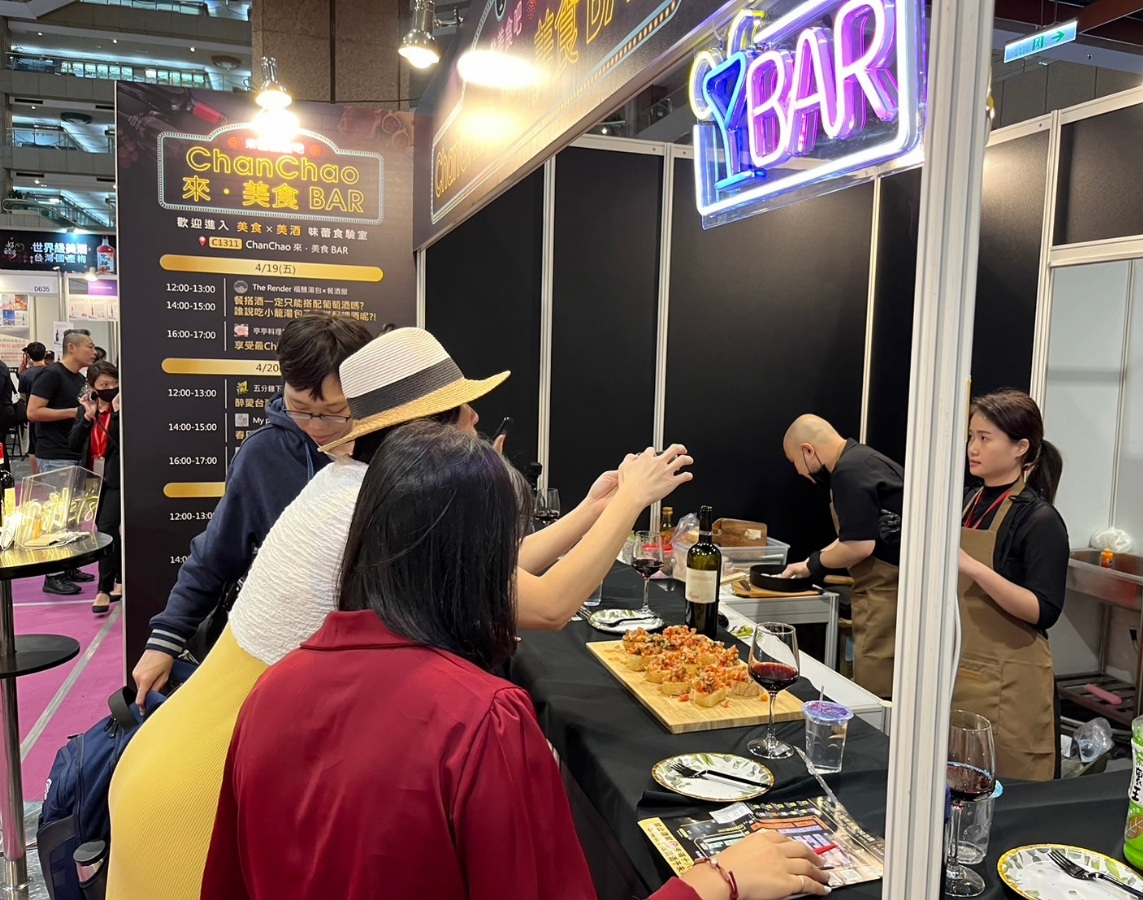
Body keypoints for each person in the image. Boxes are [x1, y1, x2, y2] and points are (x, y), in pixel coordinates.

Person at [107, 328, 695, 900]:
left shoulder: (359, 485)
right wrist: (629, 502)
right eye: (462, 412)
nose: (476, 421)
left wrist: (592, 510)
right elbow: (550, 604)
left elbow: (487, 571)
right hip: (206, 779)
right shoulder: (363, 503)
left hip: (228, 745)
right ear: (426, 433)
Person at [199, 422, 830, 900]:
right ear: (481, 560)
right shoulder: (482, 723)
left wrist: (595, 508)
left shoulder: (271, 693)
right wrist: (717, 880)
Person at [131, 314, 373, 698]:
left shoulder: (394, 451)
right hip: (288, 656)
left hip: (374, 656)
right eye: (298, 407)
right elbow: (216, 554)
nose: (315, 424)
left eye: (333, 411)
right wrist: (165, 638)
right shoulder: (263, 455)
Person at [955, 389, 1068, 782]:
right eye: (971, 437)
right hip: (962, 669)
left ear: (1021, 447)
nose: (973, 448)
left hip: (1009, 683)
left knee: (1007, 787)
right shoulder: (968, 503)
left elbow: (1044, 609)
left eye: (985, 438)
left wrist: (973, 568)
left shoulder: (1040, 520)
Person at [781, 415, 904, 699]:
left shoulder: (848, 472)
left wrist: (816, 563)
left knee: (879, 692)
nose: (799, 471)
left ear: (808, 450)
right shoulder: (865, 459)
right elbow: (856, 532)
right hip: (894, 590)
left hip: (886, 594)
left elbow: (859, 546)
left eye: (794, 461)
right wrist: (807, 564)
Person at [27, 330, 96, 595]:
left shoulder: (79, 379)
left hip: (75, 452)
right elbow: (33, 412)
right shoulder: (51, 374)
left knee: (73, 515)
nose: (93, 352)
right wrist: (74, 412)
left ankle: (69, 565)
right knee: (56, 515)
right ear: (72, 348)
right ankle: (53, 575)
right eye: (89, 347)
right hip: (55, 454)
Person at [68, 361, 121, 614]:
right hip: (92, 479)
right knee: (104, 531)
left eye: (114, 383)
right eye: (104, 384)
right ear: (92, 387)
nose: (110, 388)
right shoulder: (87, 411)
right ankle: (120, 578)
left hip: (115, 479)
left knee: (107, 528)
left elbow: (123, 443)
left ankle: (104, 589)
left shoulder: (122, 410)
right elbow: (73, 443)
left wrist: (117, 414)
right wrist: (87, 418)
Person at [19, 342, 49, 474]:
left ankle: (37, 477)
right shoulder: (52, 372)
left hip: (34, 416)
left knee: (33, 448)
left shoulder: (25, 375)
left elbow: (23, 398)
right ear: (45, 354)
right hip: (51, 414)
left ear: (28, 356)